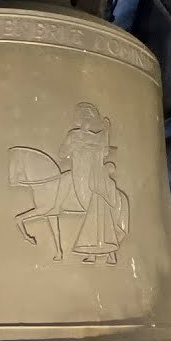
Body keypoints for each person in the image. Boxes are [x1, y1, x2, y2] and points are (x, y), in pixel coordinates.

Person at [59, 103, 127, 263]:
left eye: (89, 119)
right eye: (84, 118)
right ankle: (106, 252)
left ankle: (103, 252)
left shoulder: (97, 137)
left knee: (98, 213)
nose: (86, 121)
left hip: (94, 181)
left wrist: (107, 131)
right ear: (79, 120)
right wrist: (72, 147)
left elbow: (103, 151)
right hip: (80, 177)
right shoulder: (73, 136)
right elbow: (62, 154)